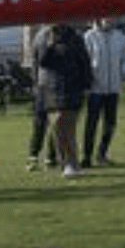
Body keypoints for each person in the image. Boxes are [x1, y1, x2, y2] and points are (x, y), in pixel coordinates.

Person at [37, 22, 92, 178]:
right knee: (59, 128)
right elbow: (42, 62)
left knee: (70, 128)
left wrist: (87, 84)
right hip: (53, 89)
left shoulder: (75, 37)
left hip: (73, 87)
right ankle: (65, 164)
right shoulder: (44, 37)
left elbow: (84, 61)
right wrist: (49, 45)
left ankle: (74, 163)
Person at [83, 18, 125, 167]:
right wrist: (89, 80)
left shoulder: (119, 36)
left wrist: (122, 74)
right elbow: (85, 61)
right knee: (92, 123)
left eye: (111, 17)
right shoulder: (89, 37)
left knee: (110, 123)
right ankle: (87, 156)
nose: (109, 20)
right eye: (105, 17)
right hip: (96, 89)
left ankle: (102, 154)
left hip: (113, 88)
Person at [25, 24, 58, 171]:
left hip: (53, 85)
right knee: (42, 123)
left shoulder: (61, 34)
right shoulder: (42, 36)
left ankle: (50, 157)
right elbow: (37, 61)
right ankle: (34, 157)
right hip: (45, 85)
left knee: (53, 123)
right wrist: (35, 83)